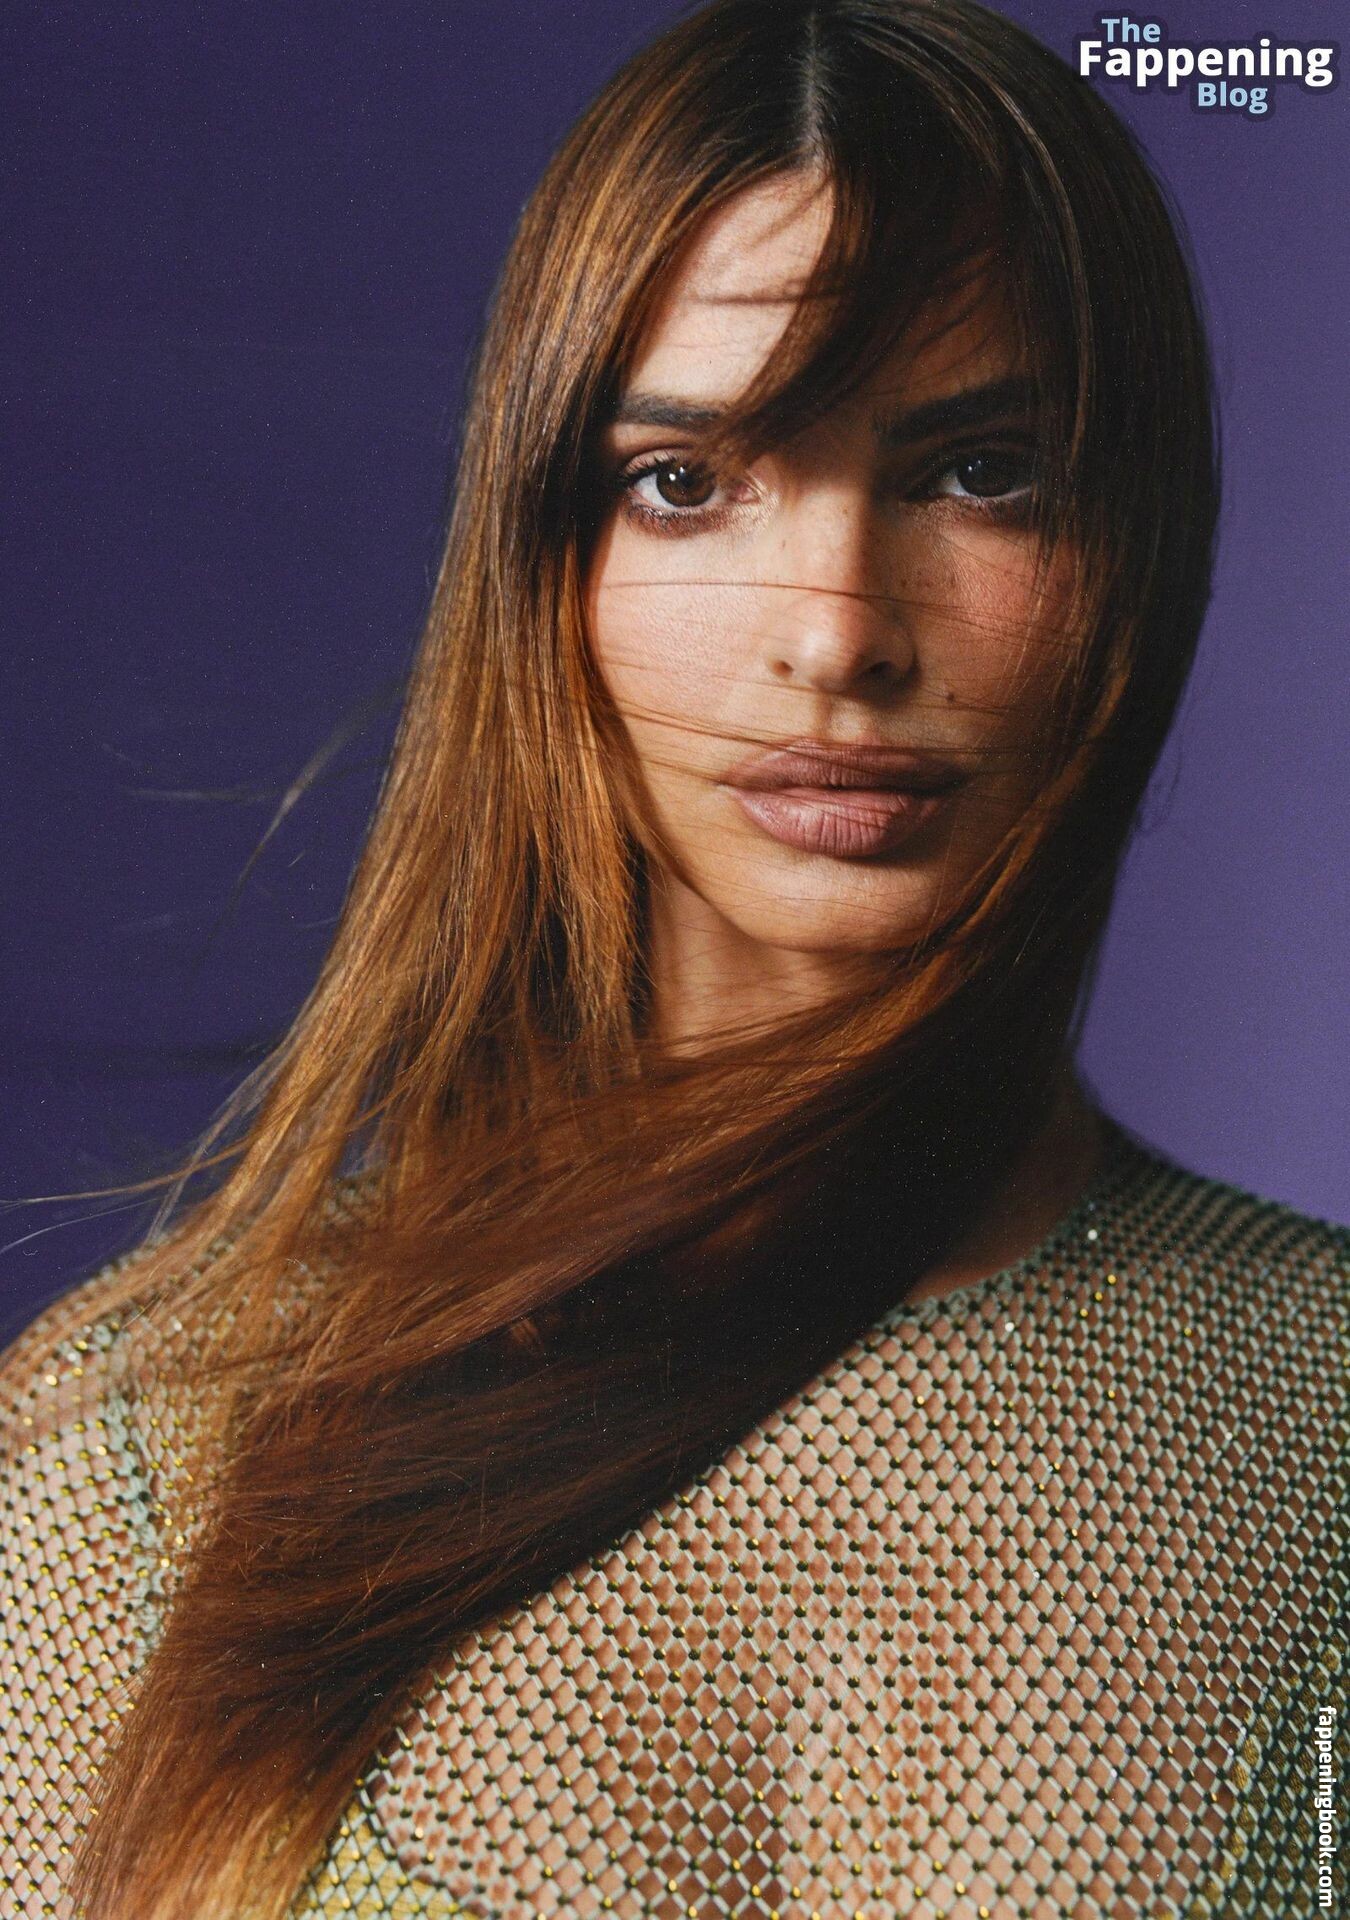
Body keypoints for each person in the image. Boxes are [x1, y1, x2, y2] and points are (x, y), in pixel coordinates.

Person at [2, 2, 1344, 1916]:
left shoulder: (1324, 1402)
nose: (836, 631)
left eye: (979, 472)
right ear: (543, 560)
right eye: (688, 481)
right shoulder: (135, 1445)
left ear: (1138, 545)